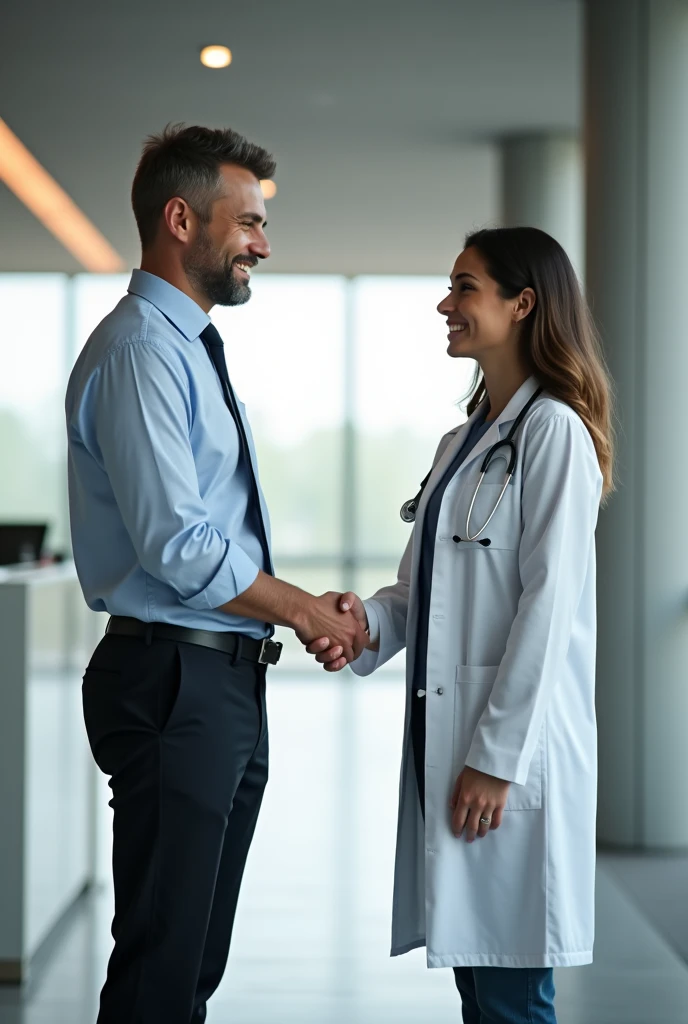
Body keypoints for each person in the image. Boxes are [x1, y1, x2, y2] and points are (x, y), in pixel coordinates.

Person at [65, 123, 367, 1024]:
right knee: (163, 968)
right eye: (248, 222)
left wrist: (290, 616)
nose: (263, 245)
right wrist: (307, 608)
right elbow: (181, 544)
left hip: (214, 677)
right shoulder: (141, 351)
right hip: (174, 677)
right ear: (180, 219)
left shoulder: (182, 346)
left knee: (190, 964)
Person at [310, 226, 614, 1024]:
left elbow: (547, 610)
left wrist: (497, 758)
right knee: (480, 989)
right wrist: (361, 624)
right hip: (449, 746)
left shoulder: (554, 433)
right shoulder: (464, 442)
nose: (445, 304)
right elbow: (420, 595)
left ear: (522, 304)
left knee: (511, 995)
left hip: (502, 758)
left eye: (464, 287)